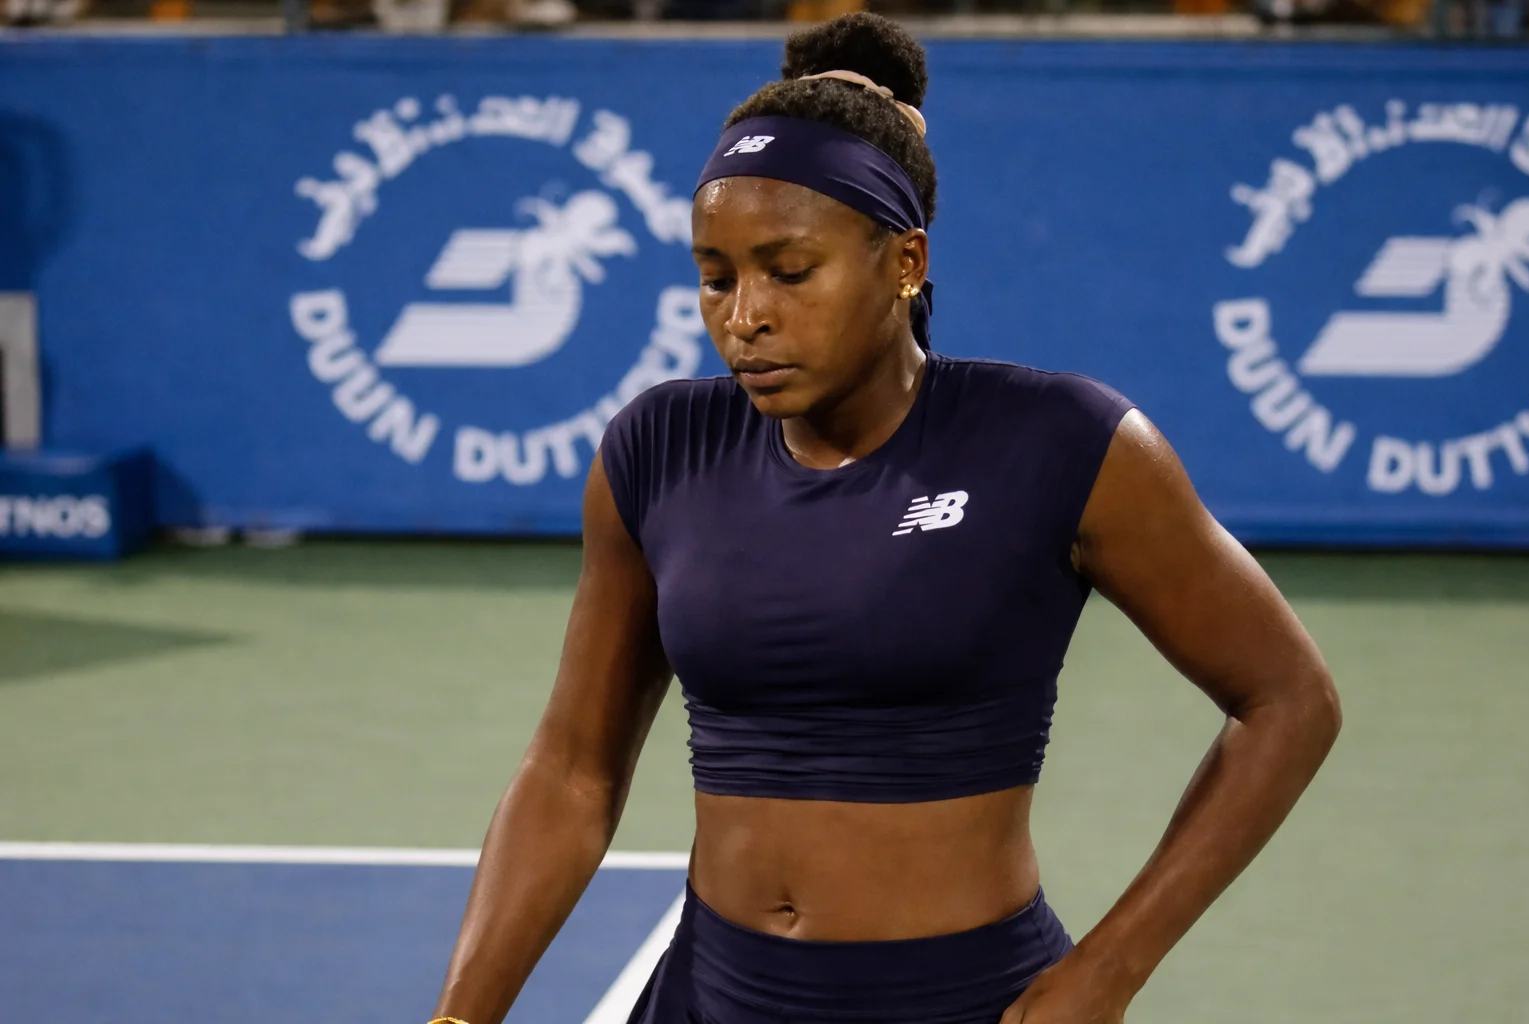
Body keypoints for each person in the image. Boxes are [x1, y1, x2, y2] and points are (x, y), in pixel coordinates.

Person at [427, 13, 1342, 1024]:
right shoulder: (658, 449)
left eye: (789, 271)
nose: (745, 315)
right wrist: (460, 1016)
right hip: (708, 998)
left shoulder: (1060, 442)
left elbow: (1289, 699)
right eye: (716, 276)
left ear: (904, 262)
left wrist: (1109, 970)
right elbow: (571, 772)